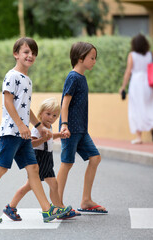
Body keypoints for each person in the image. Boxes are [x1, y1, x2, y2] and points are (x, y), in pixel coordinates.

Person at [0, 37, 71, 224]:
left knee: (33, 168)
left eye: (33, 53)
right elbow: (8, 103)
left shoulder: (27, 80)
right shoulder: (12, 76)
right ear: (16, 54)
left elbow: (25, 107)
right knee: (1, 168)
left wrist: (39, 126)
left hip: (23, 134)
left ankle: (47, 210)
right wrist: (21, 126)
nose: (30, 55)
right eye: (26, 52)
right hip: (12, 132)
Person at [3, 98, 79, 221]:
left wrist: (59, 135)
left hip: (48, 159)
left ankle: (58, 208)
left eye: (55, 115)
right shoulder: (38, 129)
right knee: (29, 186)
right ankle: (11, 207)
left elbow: (49, 137)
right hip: (39, 157)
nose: (51, 118)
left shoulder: (48, 127)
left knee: (54, 184)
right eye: (48, 114)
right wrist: (43, 139)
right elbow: (31, 143)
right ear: (40, 114)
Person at [57, 42, 108, 214]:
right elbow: (65, 103)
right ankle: (58, 205)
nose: (94, 61)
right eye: (92, 58)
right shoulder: (73, 77)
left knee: (95, 158)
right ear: (80, 58)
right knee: (67, 163)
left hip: (81, 130)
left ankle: (86, 200)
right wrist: (64, 125)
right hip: (70, 129)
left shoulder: (81, 77)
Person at [119, 34, 153, 144]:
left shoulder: (132, 55)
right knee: (151, 106)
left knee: (136, 108)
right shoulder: (151, 54)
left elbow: (128, 72)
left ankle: (139, 137)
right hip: (150, 83)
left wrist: (123, 87)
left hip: (137, 83)